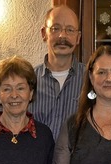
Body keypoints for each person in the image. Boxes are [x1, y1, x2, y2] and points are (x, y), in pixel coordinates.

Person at [30, 5, 85, 141]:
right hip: (37, 161)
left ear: (78, 38)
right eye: (56, 28)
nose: (62, 36)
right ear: (44, 33)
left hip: (76, 162)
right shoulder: (28, 80)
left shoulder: (91, 80)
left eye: (70, 30)